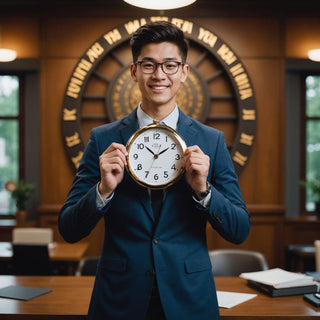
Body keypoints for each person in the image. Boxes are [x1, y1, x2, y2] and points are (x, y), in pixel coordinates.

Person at [59, 21, 251, 320]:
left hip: (189, 299)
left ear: (184, 72)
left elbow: (239, 229)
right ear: (134, 71)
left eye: (170, 65)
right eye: (148, 64)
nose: (159, 74)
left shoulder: (211, 140)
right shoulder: (102, 139)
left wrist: (204, 191)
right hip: (119, 299)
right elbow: (69, 229)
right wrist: (103, 190)